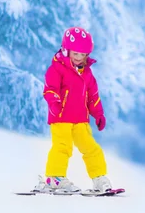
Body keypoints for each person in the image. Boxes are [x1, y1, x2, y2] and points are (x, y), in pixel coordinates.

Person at [33, 26, 113, 194]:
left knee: (91, 148)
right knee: (63, 147)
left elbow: (93, 96)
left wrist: (98, 114)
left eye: (83, 55)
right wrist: (54, 103)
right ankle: (54, 178)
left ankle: (99, 178)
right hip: (60, 117)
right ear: (66, 50)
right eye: (75, 54)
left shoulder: (87, 74)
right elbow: (50, 89)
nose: (79, 58)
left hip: (80, 120)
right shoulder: (56, 69)